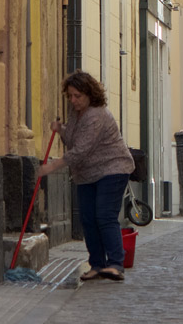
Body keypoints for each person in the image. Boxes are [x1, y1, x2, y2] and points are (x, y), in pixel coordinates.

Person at [36, 71, 134, 282]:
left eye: (78, 96)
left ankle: (116, 264)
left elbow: (80, 150)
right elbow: (73, 137)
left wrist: (51, 167)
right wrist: (60, 129)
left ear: (90, 94)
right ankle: (97, 264)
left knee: (105, 216)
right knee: (88, 219)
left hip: (113, 169)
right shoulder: (76, 113)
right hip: (88, 174)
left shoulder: (96, 115)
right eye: (70, 96)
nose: (73, 100)